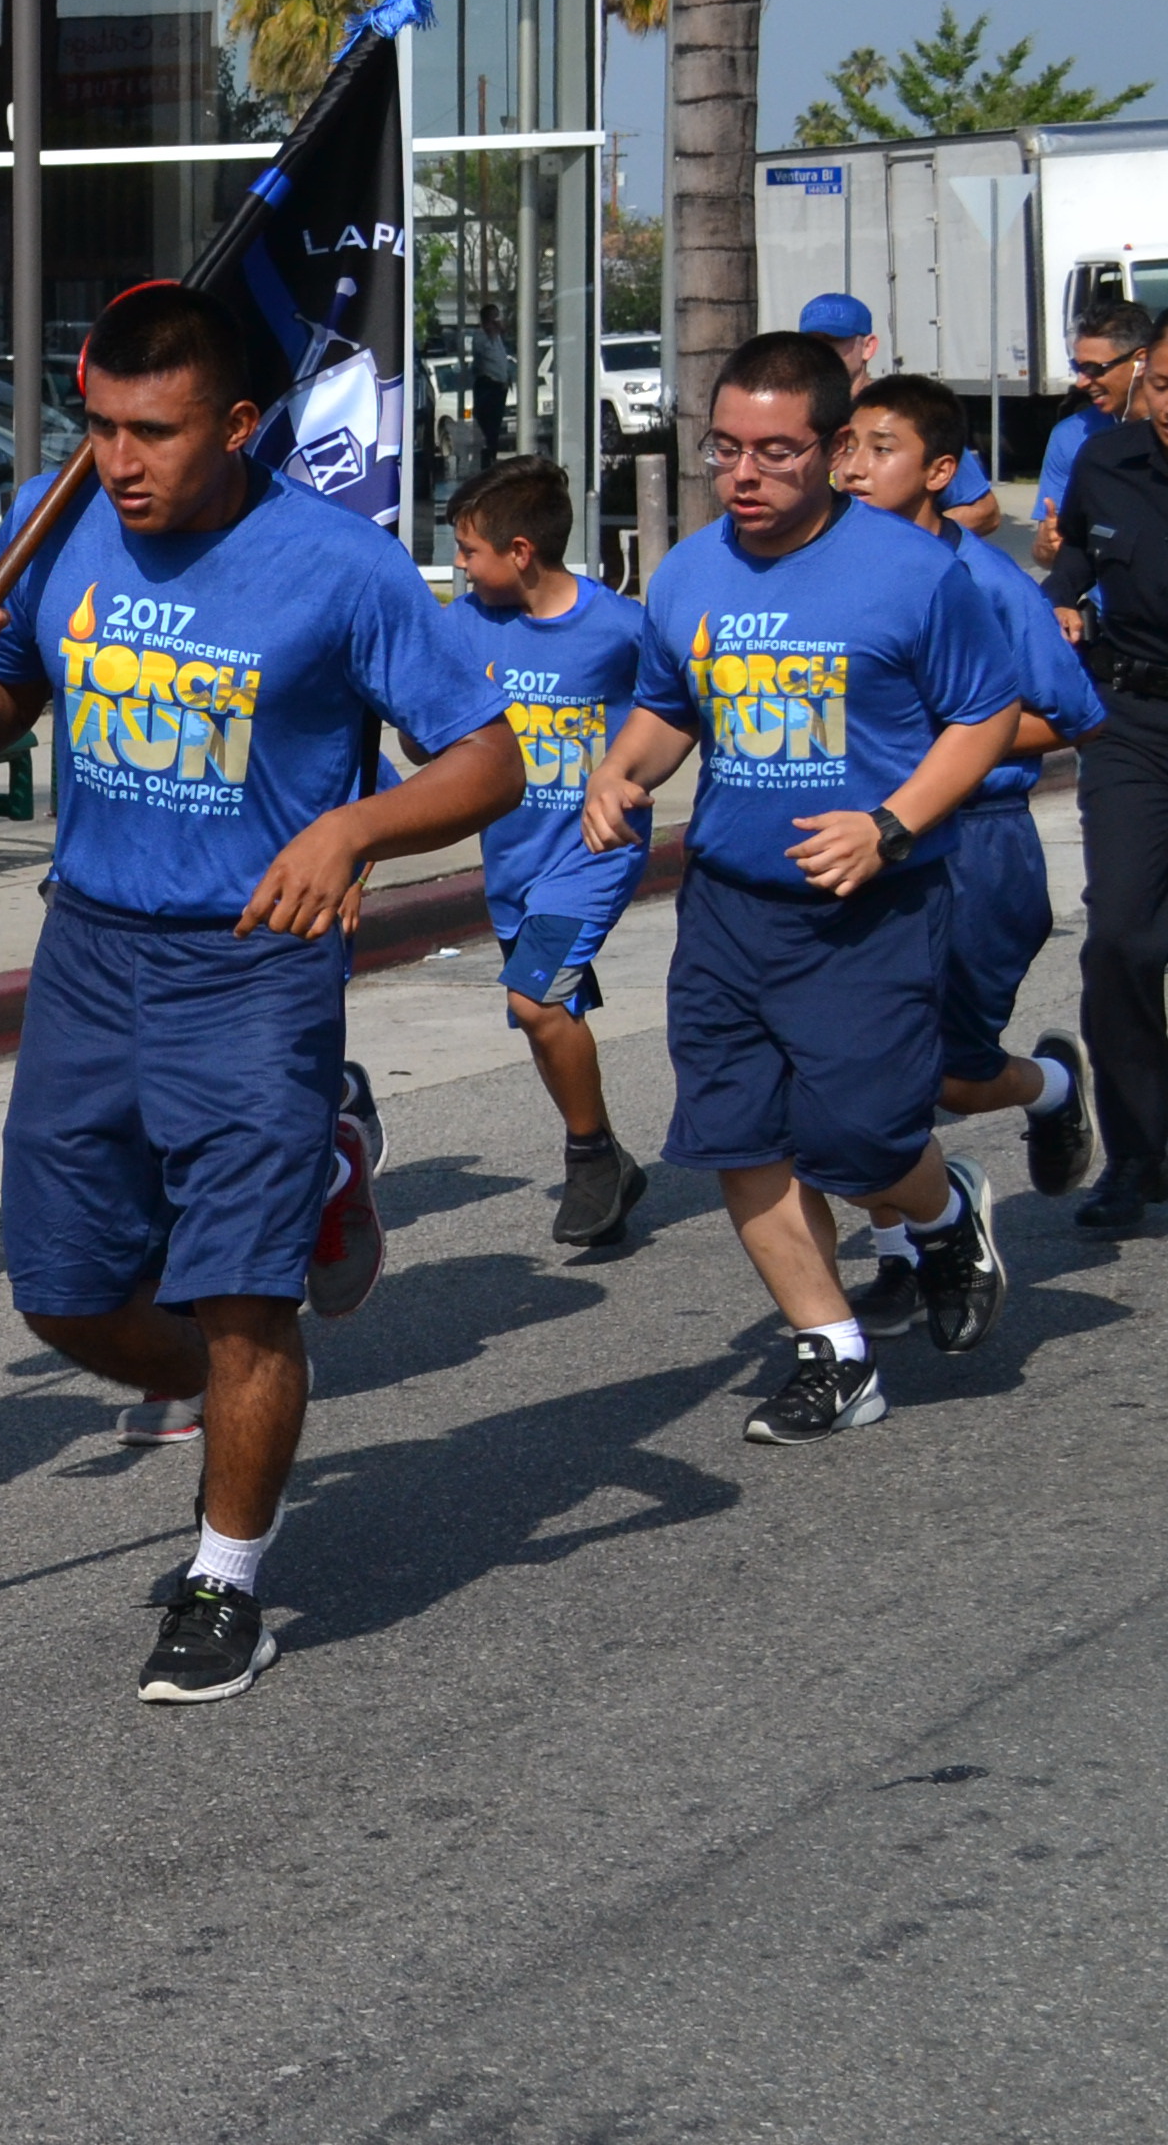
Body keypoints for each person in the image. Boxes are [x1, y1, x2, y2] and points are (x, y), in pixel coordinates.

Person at [0, 283, 520, 1707]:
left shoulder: (338, 567)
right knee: (62, 1295)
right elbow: (7, 712)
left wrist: (356, 829)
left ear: (240, 426)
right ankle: (314, 1223)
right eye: (99, 426)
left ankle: (226, 1578)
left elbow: (488, 761)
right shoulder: (55, 527)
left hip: (251, 964)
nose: (120, 459)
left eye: (155, 432)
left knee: (243, 1300)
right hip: (90, 953)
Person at [587, 330, 1028, 1445]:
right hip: (729, 903)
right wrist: (620, 770)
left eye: (776, 452)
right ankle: (834, 1354)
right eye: (726, 448)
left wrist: (891, 824)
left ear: (834, 450)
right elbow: (672, 703)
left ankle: (943, 1205)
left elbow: (986, 718)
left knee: (866, 1143)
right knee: (738, 1133)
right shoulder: (688, 570)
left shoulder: (917, 571)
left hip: (869, 910)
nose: (744, 474)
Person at [824, 375, 1103, 1315]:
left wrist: (944, 738)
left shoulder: (983, 580)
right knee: (847, 1066)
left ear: (940, 471)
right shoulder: (821, 564)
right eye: (846, 444)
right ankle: (905, 1249)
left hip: (977, 844)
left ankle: (1051, 1085)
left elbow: (1066, 714)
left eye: (882, 447)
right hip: (858, 844)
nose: (854, 465)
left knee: (950, 1073)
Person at [443, 457, 661, 1247]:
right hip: (514, 864)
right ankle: (602, 1158)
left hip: (591, 856)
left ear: (522, 552)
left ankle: (590, 1155)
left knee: (534, 1001)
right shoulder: (467, 624)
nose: (462, 567)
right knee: (549, 1013)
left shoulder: (620, 628)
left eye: (470, 552)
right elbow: (428, 716)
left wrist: (634, 780)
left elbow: (680, 708)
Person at [1043, 320, 1168, 1227]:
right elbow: (1079, 555)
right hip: (1133, 722)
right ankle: (1139, 1154)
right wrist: (1062, 607)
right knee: (1121, 936)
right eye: (1162, 385)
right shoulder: (1108, 462)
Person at [801, 293, 1002, 536]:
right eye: (811, 344)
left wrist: (898, 540)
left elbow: (984, 512)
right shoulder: (798, 418)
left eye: (833, 342)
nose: (821, 354)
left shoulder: (903, 415)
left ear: (868, 347)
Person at [1033, 297, 1154, 565]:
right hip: (1104, 606)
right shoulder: (1069, 437)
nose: (1081, 382)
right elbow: (1046, 556)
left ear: (1140, 361)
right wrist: (1047, 547)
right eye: (1078, 368)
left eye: (1094, 369)